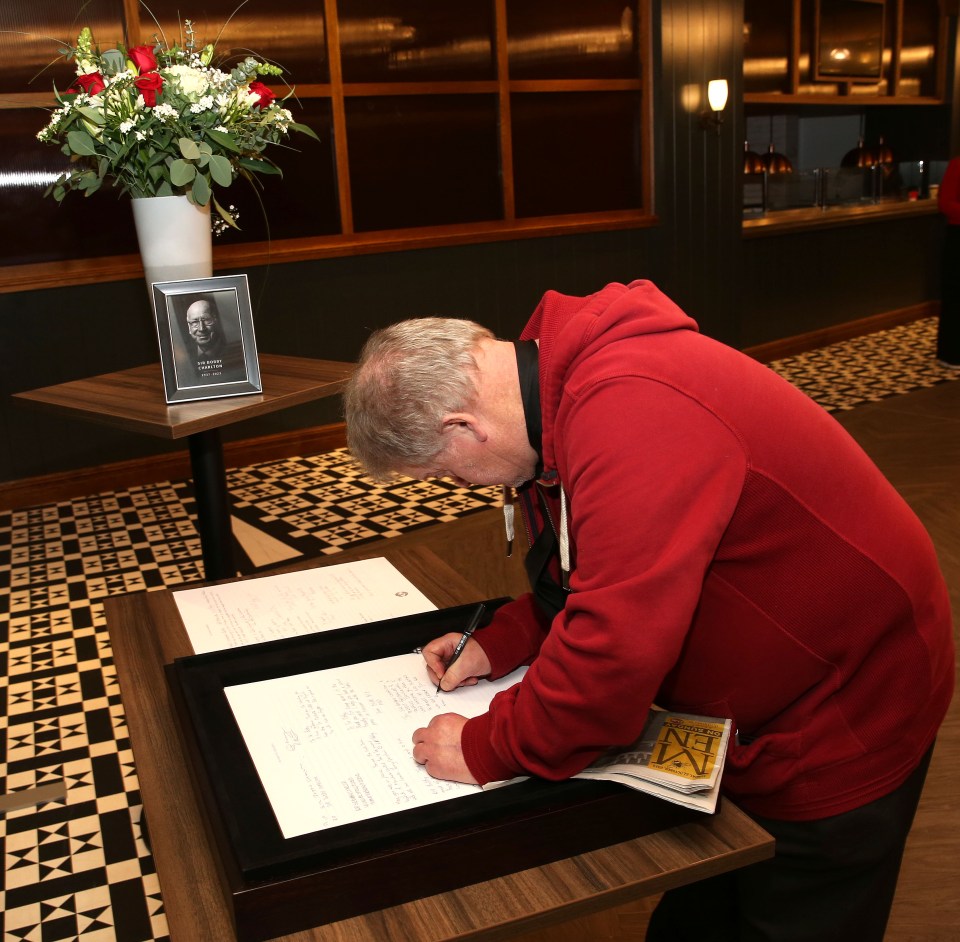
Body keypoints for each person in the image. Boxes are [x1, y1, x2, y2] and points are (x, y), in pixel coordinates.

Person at [343, 280, 954, 942]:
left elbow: (615, 656)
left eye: (451, 476)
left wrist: (489, 745)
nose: (467, 489)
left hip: (846, 706)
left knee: (795, 914)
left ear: (463, 427)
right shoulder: (543, 389)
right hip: (747, 710)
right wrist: (506, 639)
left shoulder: (631, 413)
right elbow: (590, 569)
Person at [179, 297, 247, 386]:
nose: (201, 328)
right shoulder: (183, 361)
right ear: (189, 327)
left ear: (216, 321)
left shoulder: (239, 354)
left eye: (207, 320)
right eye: (195, 322)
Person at [937, 156, 960, 368]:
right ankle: (951, 354)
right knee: (956, 295)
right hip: (958, 236)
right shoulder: (957, 164)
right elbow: (945, 202)